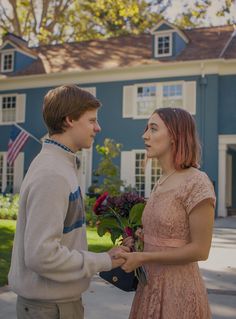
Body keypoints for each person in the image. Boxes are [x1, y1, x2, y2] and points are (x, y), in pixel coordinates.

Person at [8, 85, 128, 319]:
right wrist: (104, 260)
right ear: (70, 119)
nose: (98, 127)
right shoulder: (52, 173)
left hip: (56, 304)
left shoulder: (60, 166)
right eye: (91, 120)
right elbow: (42, 255)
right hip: (49, 309)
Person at [117, 107, 216, 319]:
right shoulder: (161, 181)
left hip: (179, 290)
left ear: (175, 136)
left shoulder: (196, 182)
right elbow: (165, 234)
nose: (145, 135)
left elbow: (201, 250)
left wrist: (144, 256)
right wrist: (137, 241)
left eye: (153, 129)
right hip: (149, 286)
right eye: (146, 129)